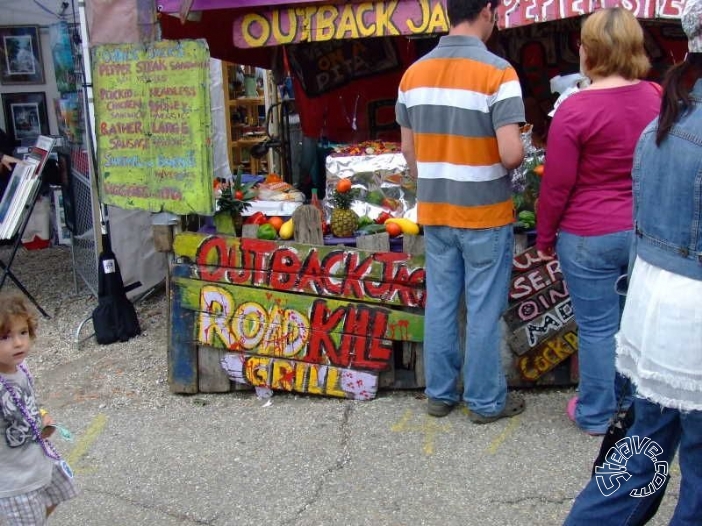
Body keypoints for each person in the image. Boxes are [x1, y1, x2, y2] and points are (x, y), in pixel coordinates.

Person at [564, 1, 702, 521]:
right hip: (689, 313)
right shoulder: (657, 107)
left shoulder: (669, 116)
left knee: (644, 448)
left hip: (657, 304)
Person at [396, 0, 526, 423]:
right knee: (484, 309)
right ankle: (486, 402)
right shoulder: (499, 73)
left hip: (436, 210)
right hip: (485, 213)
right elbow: (510, 155)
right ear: (487, 11)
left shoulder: (413, 75)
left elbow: (409, 155)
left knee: (441, 303)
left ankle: (439, 394)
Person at [535, 8, 661, 435]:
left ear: (589, 50)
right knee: (633, 327)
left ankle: (595, 413)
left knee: (597, 329)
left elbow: (556, 185)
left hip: (587, 234)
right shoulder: (658, 97)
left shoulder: (575, 109)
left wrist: (545, 236)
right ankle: (633, 411)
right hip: (644, 231)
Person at [0, 293, 78, 525]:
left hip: (39, 458)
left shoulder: (20, 366)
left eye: (23, 332)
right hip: (15, 478)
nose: (18, 343)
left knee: (60, 491)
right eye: (5, 337)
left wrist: (40, 417)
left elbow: (28, 400)